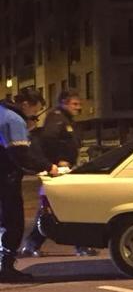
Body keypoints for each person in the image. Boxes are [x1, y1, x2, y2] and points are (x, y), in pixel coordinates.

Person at [20, 89, 98, 258]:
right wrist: (58, 161)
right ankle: (80, 245)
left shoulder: (65, 120)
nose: (78, 107)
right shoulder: (57, 119)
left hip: (63, 171)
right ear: (63, 103)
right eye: (74, 104)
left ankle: (32, 245)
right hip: (58, 171)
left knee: (54, 209)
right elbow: (48, 141)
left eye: (79, 104)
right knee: (69, 207)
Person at [0, 88, 58, 283]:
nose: (36, 116)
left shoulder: (2, 112)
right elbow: (20, 154)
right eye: (36, 111)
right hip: (5, 180)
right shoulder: (13, 119)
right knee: (12, 223)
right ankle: (5, 267)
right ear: (26, 104)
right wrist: (48, 166)